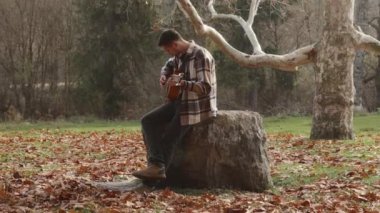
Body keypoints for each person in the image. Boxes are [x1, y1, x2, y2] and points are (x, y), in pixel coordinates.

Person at [132, 29, 217, 180]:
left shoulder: (201, 56)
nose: (167, 53)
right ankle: (156, 167)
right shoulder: (178, 55)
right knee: (148, 121)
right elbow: (168, 65)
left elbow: (205, 87)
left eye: (167, 49)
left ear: (175, 44)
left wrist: (182, 83)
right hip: (179, 101)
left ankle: (157, 177)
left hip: (195, 106)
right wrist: (164, 75)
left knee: (169, 137)